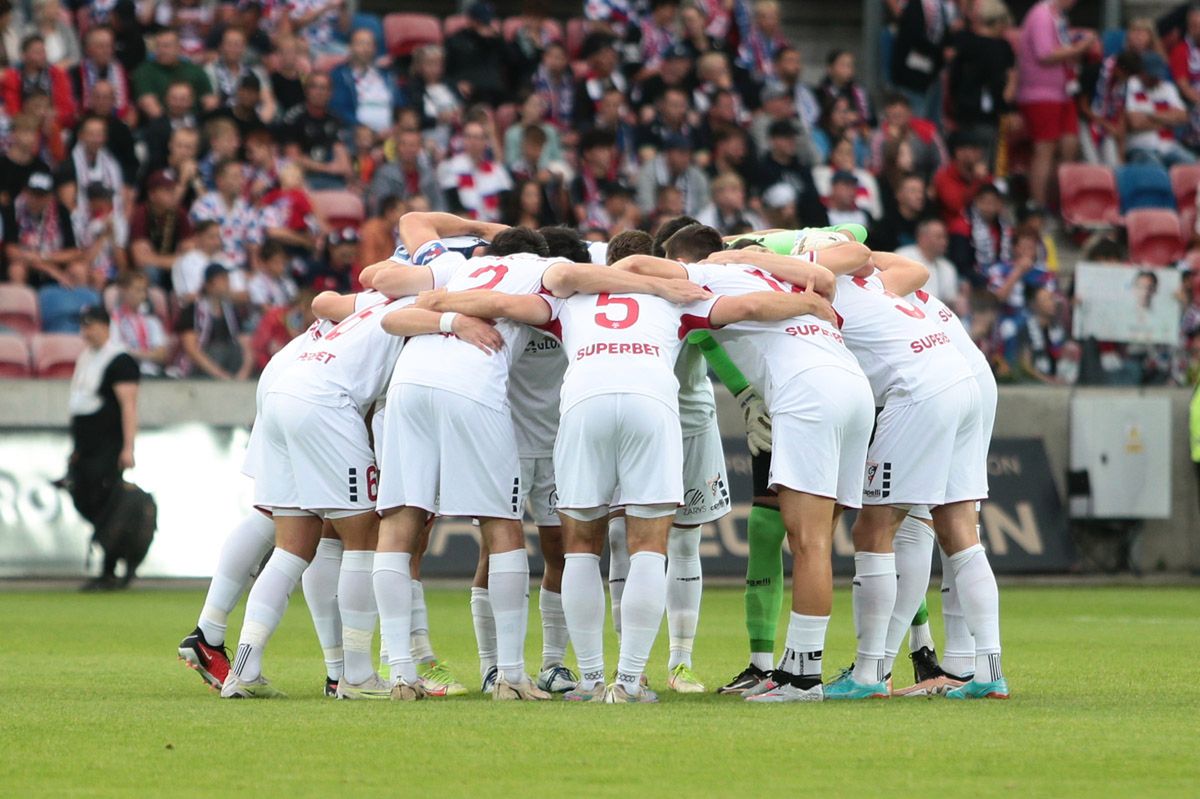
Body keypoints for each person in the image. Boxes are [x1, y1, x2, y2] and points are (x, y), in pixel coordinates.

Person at [66, 305, 141, 590]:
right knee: (87, 498)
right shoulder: (86, 357)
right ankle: (110, 560)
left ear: (106, 326)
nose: (87, 331)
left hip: (107, 446)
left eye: (93, 325)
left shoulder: (119, 361)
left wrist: (128, 447)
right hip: (86, 447)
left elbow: (128, 406)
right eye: (84, 325)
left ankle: (111, 566)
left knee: (108, 503)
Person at [1015, 0, 1094, 206]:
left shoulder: (1059, 16)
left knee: (1070, 146)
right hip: (1041, 93)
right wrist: (1081, 47)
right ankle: (1038, 206)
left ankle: (1058, 204)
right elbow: (1046, 54)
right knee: (1045, 148)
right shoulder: (1041, 14)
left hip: (1063, 93)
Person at [175, 263, 252, 380]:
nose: (227, 283)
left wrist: (244, 373)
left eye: (227, 279)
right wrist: (220, 375)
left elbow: (246, 345)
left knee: (236, 350)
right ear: (209, 285)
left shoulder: (231, 311)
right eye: (222, 279)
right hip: (202, 369)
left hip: (229, 367)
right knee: (217, 351)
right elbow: (191, 348)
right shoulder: (193, 310)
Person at [3, 170, 80, 286]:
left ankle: (81, 304)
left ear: (50, 196)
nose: (35, 200)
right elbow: (11, 251)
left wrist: (43, 257)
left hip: (52, 261)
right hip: (26, 265)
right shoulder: (13, 209)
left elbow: (73, 252)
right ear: (25, 192)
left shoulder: (61, 211)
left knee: (78, 270)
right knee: (16, 269)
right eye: (32, 193)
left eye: (41, 195)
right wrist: (48, 269)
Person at [277, 72, 351, 190]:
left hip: (332, 179)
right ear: (306, 91)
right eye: (314, 87)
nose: (319, 92)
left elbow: (342, 159)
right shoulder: (293, 118)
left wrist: (347, 174)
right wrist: (328, 168)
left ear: (330, 93)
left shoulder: (335, 120)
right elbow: (293, 158)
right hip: (303, 178)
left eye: (323, 88)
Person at [329, 28, 402, 138]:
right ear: (350, 47)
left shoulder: (387, 76)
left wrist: (397, 127)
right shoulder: (340, 75)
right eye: (360, 43)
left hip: (390, 135)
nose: (365, 48)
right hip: (355, 134)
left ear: (375, 49)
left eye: (369, 44)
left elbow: (400, 104)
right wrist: (366, 131)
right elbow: (339, 109)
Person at [1124, 56, 1196, 167]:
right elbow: (1135, 123)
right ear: (1142, 72)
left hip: (1169, 146)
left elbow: (1184, 117)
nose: (1156, 79)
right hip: (1141, 147)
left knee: (1195, 166)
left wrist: (1149, 115)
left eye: (1158, 75)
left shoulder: (1168, 88)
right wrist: (1169, 121)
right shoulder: (1131, 85)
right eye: (1152, 75)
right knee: (1157, 169)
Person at [437, 120, 513, 223]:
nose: (473, 142)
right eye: (468, 137)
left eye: (477, 138)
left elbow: (507, 202)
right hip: (463, 224)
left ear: (485, 142)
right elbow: (452, 202)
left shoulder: (497, 170)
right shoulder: (450, 167)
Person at [131, 28, 214, 120]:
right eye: (158, 46)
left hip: (194, 124)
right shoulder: (144, 71)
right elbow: (150, 106)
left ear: (178, 48)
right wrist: (172, 126)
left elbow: (210, 101)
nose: (161, 50)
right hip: (159, 126)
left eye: (166, 46)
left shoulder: (195, 70)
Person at [2, 33, 76, 126]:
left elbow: (65, 107)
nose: (42, 56)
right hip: (23, 125)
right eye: (37, 52)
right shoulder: (13, 76)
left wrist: (53, 116)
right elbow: (12, 109)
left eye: (43, 51)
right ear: (23, 55)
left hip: (52, 123)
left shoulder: (57, 74)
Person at [110, 271, 168, 377]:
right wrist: (149, 354)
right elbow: (115, 353)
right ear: (124, 291)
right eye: (138, 290)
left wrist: (132, 353)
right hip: (126, 374)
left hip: (151, 373)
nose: (143, 295)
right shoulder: (114, 319)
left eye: (144, 290)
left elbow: (161, 354)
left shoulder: (152, 321)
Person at [897, 218, 960, 304]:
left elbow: (950, 300)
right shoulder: (902, 256)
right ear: (923, 238)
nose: (944, 242)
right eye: (939, 237)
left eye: (945, 237)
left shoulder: (948, 267)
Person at [38, 258, 99, 331]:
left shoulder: (91, 295)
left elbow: (94, 322)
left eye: (78, 277)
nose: (73, 278)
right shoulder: (47, 293)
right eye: (71, 275)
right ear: (64, 275)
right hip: (53, 333)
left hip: (82, 335)